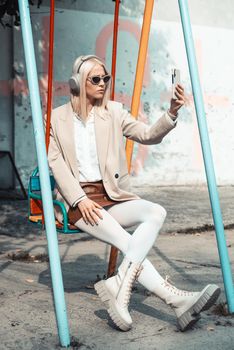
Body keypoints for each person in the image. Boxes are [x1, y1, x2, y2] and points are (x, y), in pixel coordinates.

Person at [47, 54, 220, 332]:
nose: (103, 83)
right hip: (78, 201)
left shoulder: (113, 112)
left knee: (156, 212)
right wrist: (79, 198)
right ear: (77, 82)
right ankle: (176, 301)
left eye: (106, 78)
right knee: (128, 243)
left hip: (111, 195)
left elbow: (148, 134)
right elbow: (55, 164)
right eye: (96, 79)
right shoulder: (58, 118)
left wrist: (172, 111)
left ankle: (119, 285)